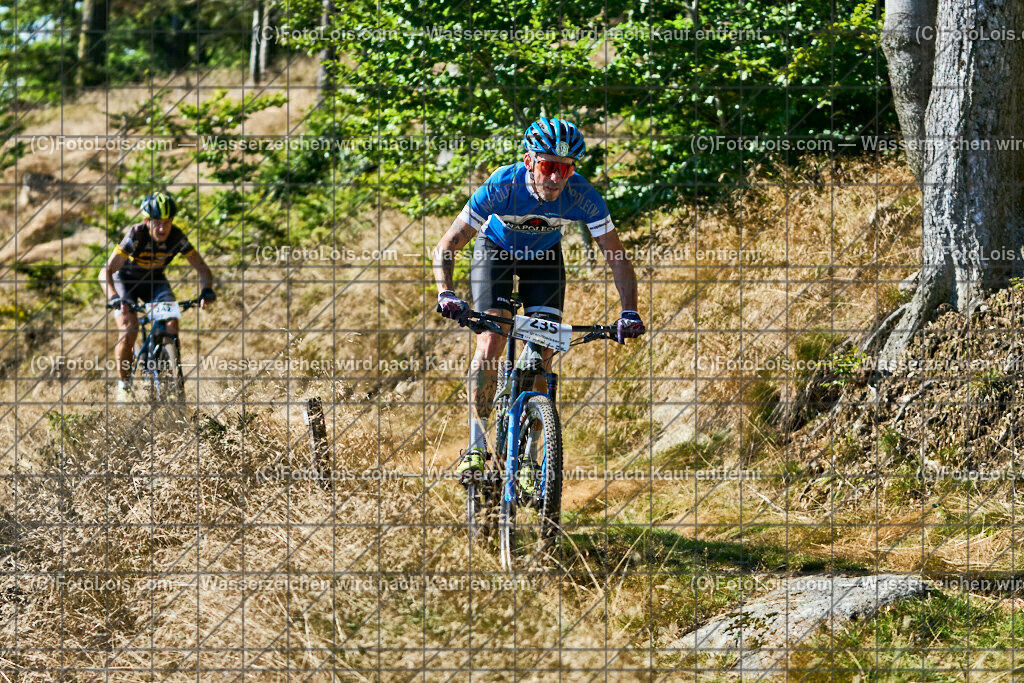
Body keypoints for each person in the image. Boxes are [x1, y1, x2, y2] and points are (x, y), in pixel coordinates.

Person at [432, 117, 645, 487]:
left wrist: (630, 311)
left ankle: (530, 458)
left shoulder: (582, 195)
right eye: (548, 166)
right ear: (530, 161)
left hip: (543, 261)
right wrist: (446, 292)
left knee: (543, 350)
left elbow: (617, 256)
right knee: (493, 337)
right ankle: (476, 445)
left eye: (565, 169)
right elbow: (448, 244)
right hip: (494, 252)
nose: (555, 178)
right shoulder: (502, 185)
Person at [100, 192, 215, 402]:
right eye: (156, 223)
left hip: (154, 281)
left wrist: (207, 290)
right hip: (125, 282)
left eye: (167, 222)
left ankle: (169, 374)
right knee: (129, 328)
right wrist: (114, 297)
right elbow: (105, 272)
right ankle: (124, 386)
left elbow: (203, 269)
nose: (162, 229)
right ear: (146, 221)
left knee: (172, 323)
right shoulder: (136, 235)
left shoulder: (177, 237)